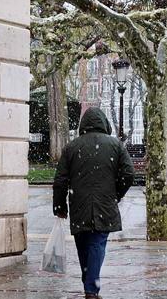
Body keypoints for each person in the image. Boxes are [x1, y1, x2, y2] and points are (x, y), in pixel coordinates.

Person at [53, 107, 135, 299]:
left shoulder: (71, 147)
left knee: (83, 245)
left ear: (83, 125)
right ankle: (91, 289)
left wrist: (60, 207)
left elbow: (60, 180)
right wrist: (117, 193)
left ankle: (89, 285)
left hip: (79, 205)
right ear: (104, 124)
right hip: (105, 205)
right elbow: (129, 174)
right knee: (97, 244)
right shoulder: (115, 145)